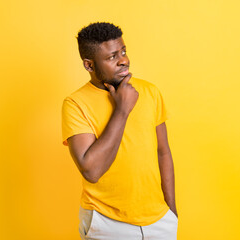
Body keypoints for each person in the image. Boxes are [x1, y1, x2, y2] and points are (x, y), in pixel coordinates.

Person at [62, 22, 178, 240]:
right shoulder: (75, 104)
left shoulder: (150, 92)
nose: (123, 59)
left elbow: (163, 152)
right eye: (112, 57)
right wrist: (122, 110)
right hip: (106, 222)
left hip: (159, 220)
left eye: (123, 51)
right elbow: (91, 170)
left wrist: (171, 213)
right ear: (89, 65)